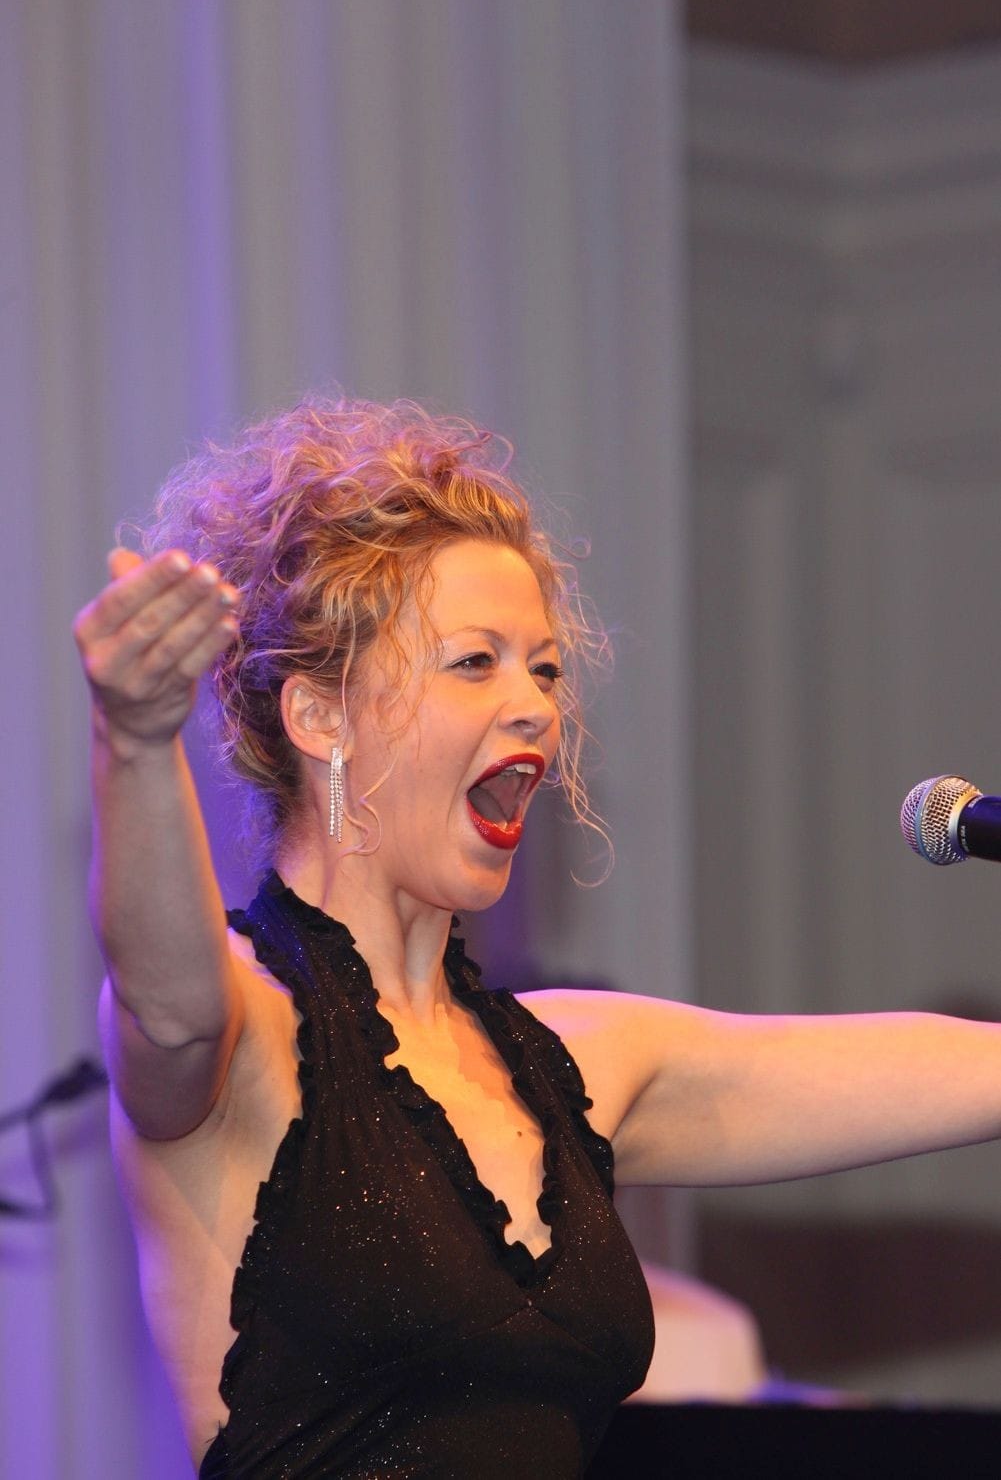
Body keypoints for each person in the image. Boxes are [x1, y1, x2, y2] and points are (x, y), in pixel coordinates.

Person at [74, 395, 1001, 1479]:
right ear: (320, 714)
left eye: (545, 669)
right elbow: (164, 999)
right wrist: (134, 740)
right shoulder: (243, 1030)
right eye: (476, 663)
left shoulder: (571, 1069)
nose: (535, 708)